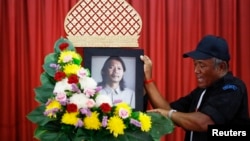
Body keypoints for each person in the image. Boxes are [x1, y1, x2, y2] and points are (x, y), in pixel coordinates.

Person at [140, 35, 250, 141]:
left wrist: (169, 114)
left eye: (202, 65)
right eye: (195, 64)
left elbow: (204, 122)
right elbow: (168, 111)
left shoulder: (232, 88)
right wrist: (148, 80)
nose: (196, 70)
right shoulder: (202, 91)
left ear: (221, 67)